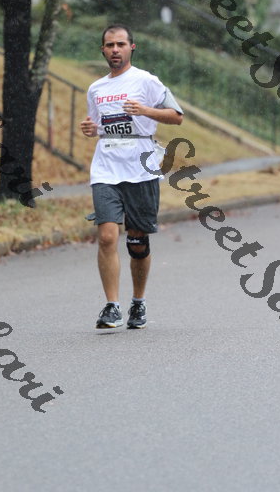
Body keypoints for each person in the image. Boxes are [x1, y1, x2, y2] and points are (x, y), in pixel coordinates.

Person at [80, 24, 183, 329]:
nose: (115, 49)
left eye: (121, 44)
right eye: (110, 45)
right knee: (107, 236)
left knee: (137, 241)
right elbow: (98, 125)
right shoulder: (96, 89)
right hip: (106, 167)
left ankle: (138, 301)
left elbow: (176, 116)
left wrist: (145, 111)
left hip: (140, 167)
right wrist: (91, 129)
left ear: (131, 47)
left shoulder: (146, 81)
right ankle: (112, 306)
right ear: (103, 49)